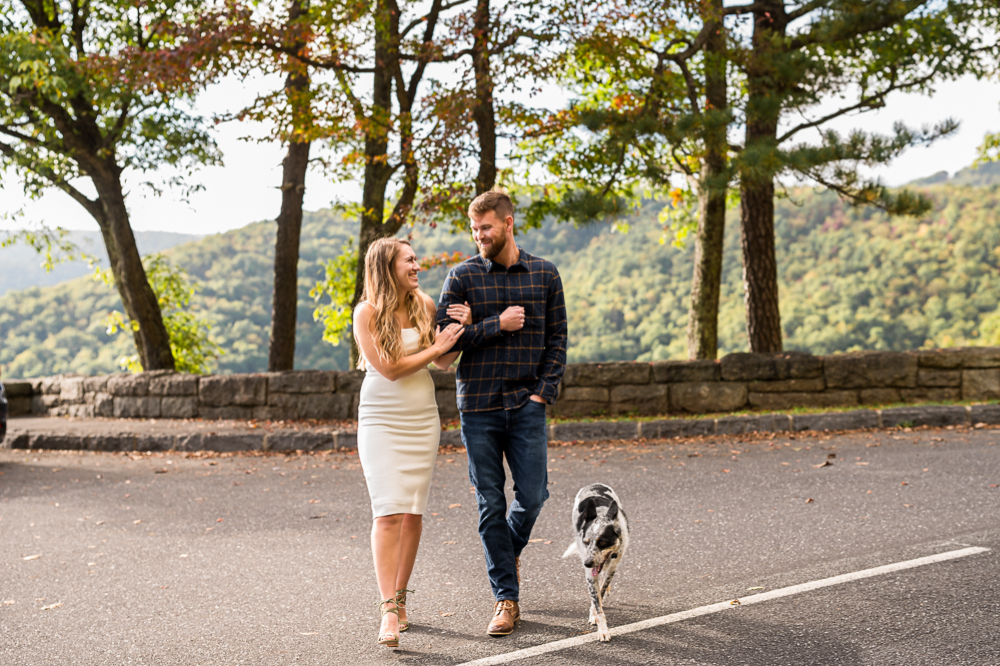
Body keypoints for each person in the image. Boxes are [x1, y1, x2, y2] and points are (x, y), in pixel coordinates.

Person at [435, 190, 568, 636]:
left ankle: (502, 553)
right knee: (490, 502)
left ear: (509, 224)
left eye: (486, 228)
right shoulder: (461, 278)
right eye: (474, 230)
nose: (479, 237)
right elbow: (443, 347)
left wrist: (542, 394)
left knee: (534, 496)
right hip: (479, 407)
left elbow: (558, 342)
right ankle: (505, 599)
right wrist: (491, 325)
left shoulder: (545, 275)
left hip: (527, 404)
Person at [353, 237, 470, 648]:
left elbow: (440, 362)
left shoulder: (424, 305)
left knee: (413, 514)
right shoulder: (365, 312)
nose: (417, 265)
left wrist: (458, 331)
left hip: (422, 419)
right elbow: (388, 369)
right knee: (387, 512)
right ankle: (387, 611)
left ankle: (402, 598)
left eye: (416, 258)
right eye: (409, 259)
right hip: (381, 421)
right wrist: (435, 347)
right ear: (387, 266)